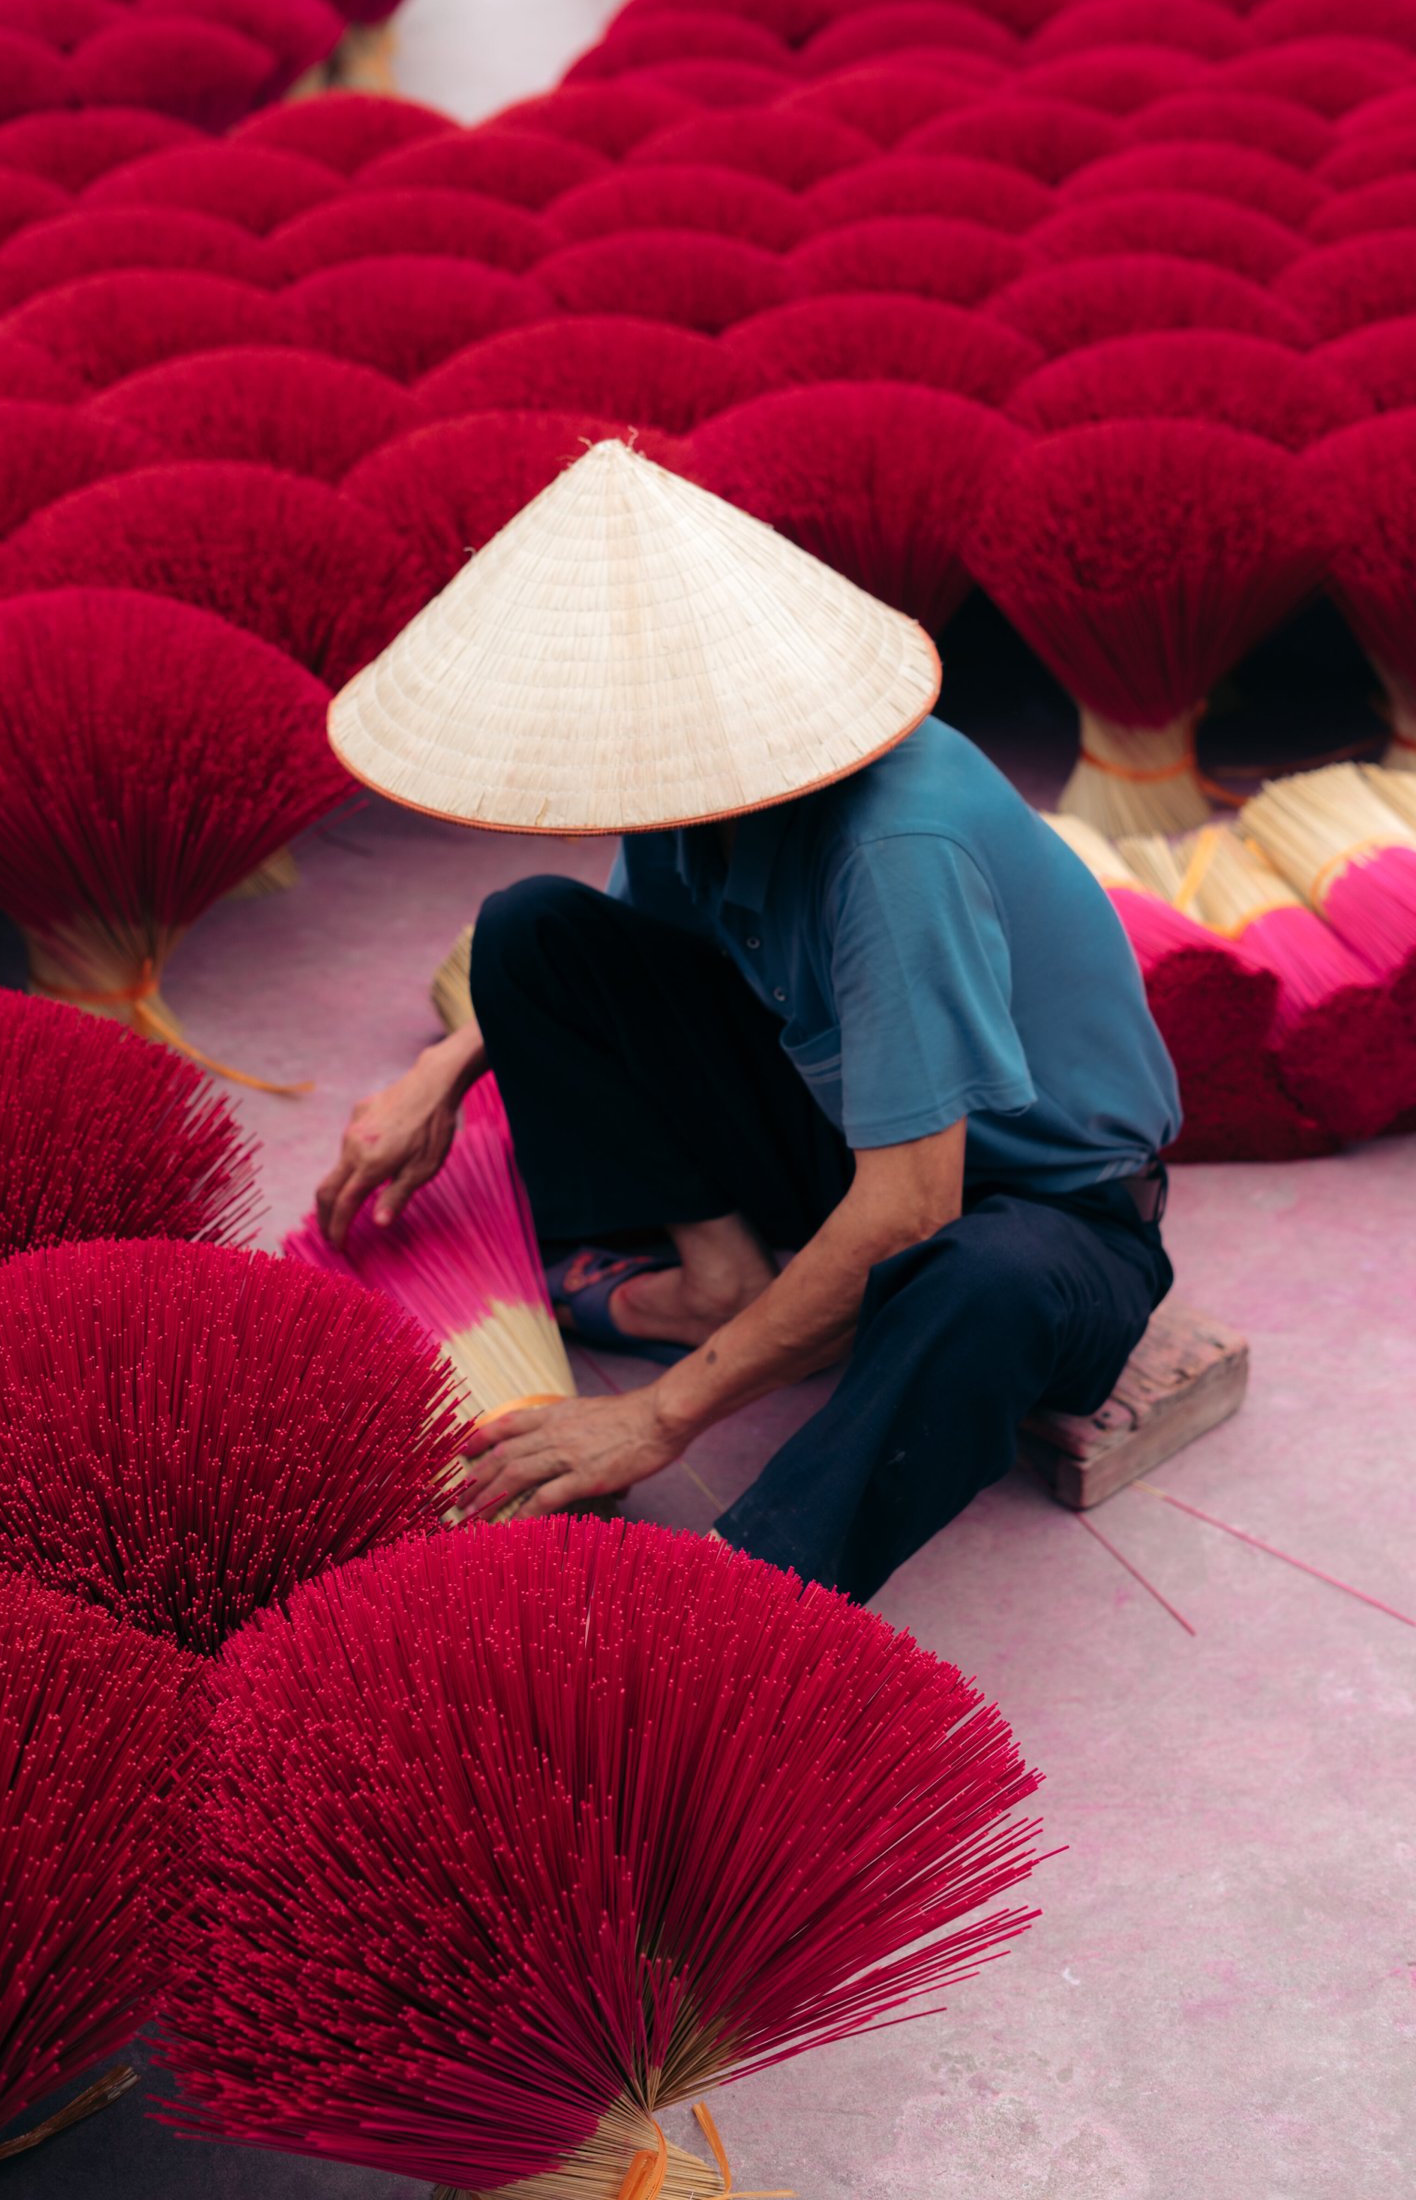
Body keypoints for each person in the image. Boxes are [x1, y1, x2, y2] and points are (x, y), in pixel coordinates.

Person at [317, 443, 1179, 1603]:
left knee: (985, 1280)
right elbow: (631, 956)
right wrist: (443, 1064)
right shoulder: (703, 792)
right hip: (845, 1134)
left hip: (1038, 1207)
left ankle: (742, 1594)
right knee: (533, 931)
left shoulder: (894, 853)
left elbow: (912, 1205)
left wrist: (655, 1421)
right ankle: (727, 1279)